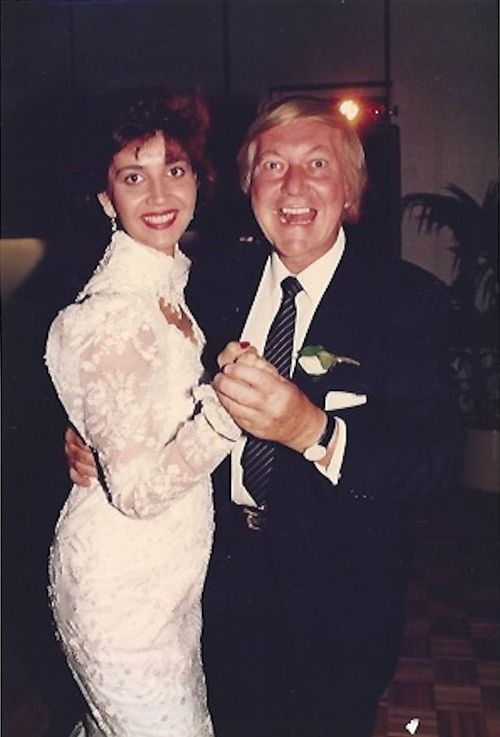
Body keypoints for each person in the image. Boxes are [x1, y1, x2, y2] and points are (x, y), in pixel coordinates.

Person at [67, 95, 463, 737]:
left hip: (341, 600)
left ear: (351, 189)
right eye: (273, 166)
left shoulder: (405, 300)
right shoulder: (204, 285)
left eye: (317, 164)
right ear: (249, 185)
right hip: (219, 586)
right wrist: (93, 432)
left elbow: (437, 461)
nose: (294, 185)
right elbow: (139, 385)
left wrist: (314, 430)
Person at [44, 87, 241, 737]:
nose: (159, 194)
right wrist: (225, 411)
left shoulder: (166, 284)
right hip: (124, 592)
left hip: (165, 581)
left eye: (173, 169)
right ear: (106, 197)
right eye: (135, 175)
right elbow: (133, 490)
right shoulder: (110, 313)